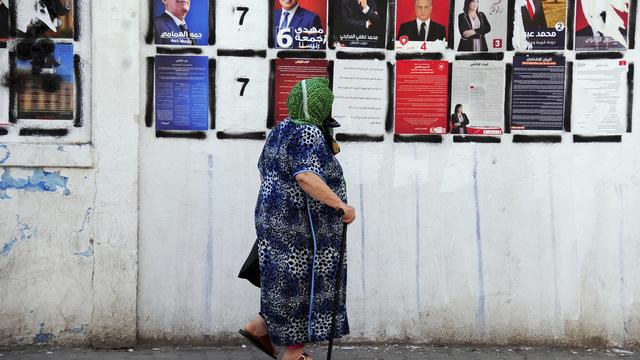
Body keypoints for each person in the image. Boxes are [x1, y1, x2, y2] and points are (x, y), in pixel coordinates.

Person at [240, 78, 356, 360]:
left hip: (273, 220)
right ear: (320, 107)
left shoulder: (280, 130)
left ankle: (259, 327)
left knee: (281, 284)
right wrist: (340, 205)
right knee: (302, 288)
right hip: (300, 229)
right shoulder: (308, 134)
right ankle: (295, 354)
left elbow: (265, 170)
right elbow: (306, 176)